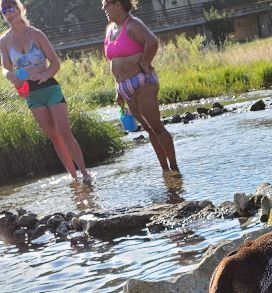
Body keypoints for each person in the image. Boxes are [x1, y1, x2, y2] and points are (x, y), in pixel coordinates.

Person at [0, 0, 92, 183]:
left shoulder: (36, 34)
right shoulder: (3, 40)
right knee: (54, 136)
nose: (8, 14)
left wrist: (45, 75)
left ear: (19, 10)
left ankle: (85, 173)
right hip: (31, 93)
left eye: (10, 9)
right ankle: (73, 178)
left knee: (64, 131)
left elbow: (56, 62)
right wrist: (10, 76)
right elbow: (5, 68)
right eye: (3, 11)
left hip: (49, 86)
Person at [102, 0, 178, 174]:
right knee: (148, 130)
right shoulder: (110, 29)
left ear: (119, 5)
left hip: (142, 81)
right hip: (124, 86)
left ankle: (174, 168)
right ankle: (166, 171)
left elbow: (152, 41)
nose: (103, 8)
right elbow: (113, 62)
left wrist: (144, 62)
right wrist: (118, 89)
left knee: (156, 126)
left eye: (106, 4)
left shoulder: (133, 24)